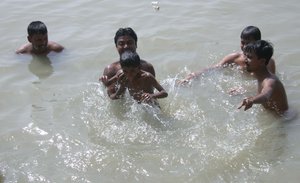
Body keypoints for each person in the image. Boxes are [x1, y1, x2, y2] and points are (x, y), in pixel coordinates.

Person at [178, 26, 276, 84]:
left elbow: (268, 82)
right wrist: (192, 76)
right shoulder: (235, 58)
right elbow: (214, 68)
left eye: (248, 43)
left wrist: (244, 89)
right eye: (242, 42)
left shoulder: (267, 62)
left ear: (257, 43)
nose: (244, 46)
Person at [100, 27, 155, 98]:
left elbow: (151, 94)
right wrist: (122, 87)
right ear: (116, 47)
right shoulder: (111, 70)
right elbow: (112, 97)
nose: (126, 46)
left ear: (136, 45)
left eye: (129, 43)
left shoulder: (147, 67)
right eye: (121, 43)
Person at [238, 40, 288, 116]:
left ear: (262, 61)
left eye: (249, 57)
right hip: (272, 115)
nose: (245, 60)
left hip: (282, 119)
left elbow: (265, 95)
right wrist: (243, 89)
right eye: (246, 55)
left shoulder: (270, 81)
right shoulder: (260, 76)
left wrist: (252, 100)